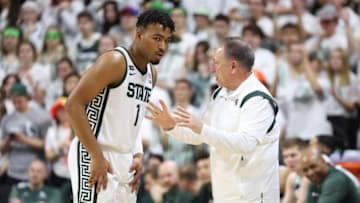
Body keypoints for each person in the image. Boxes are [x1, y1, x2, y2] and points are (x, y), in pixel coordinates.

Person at [146, 37, 280, 202]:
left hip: (253, 197)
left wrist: (202, 129)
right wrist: (170, 126)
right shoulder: (220, 93)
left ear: (233, 66)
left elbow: (246, 144)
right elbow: (200, 135)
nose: (212, 68)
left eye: (216, 63)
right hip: (224, 194)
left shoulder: (258, 99)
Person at [66, 9, 174, 203]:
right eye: (157, 38)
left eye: (167, 40)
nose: (162, 46)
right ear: (139, 35)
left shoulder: (152, 73)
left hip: (125, 156)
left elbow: (134, 118)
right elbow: (73, 105)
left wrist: (138, 154)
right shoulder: (115, 61)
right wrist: (96, 156)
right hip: (95, 150)